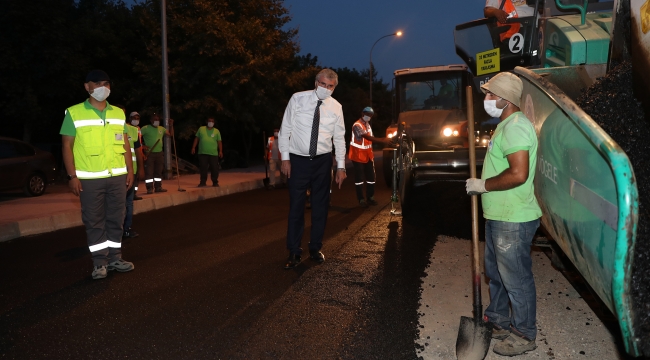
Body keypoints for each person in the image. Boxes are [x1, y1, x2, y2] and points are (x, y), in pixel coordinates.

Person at [465, 71, 542, 356]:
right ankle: (498, 320)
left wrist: (482, 185)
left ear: (505, 99)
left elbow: (519, 174)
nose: (486, 99)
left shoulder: (516, 127)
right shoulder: (505, 125)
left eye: (490, 95)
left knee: (516, 279)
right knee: (496, 274)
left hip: (514, 218)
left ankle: (524, 334)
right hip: (499, 216)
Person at [60, 70, 135, 280]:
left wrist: (129, 171)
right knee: (94, 221)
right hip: (90, 179)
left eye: (107, 83)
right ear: (87, 87)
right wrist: (71, 176)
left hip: (118, 177)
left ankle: (115, 259)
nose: (103, 87)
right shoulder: (74, 113)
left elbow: (125, 144)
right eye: (98, 83)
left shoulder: (118, 113)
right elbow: (66, 145)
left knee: (116, 219)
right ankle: (99, 263)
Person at [278, 68, 347, 269]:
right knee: (296, 207)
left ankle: (315, 248)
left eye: (331, 86)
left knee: (320, 207)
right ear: (316, 82)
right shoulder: (297, 99)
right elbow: (285, 130)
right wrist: (285, 158)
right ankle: (294, 251)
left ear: (335, 88)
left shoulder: (336, 107)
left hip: (322, 162)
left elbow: (339, 139)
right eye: (323, 84)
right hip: (297, 161)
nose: (326, 89)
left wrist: (341, 166)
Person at [348, 106, 390, 207]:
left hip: (368, 155)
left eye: (370, 115)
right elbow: (366, 137)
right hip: (357, 155)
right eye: (367, 114)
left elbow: (371, 138)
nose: (369, 116)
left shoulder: (367, 125)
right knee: (359, 179)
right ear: (363, 114)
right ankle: (361, 199)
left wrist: (384, 141)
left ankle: (370, 197)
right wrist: (382, 140)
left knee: (371, 177)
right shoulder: (357, 125)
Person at [123, 114, 145, 238]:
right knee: (118, 203)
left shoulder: (133, 130)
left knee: (129, 202)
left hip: (132, 171)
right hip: (117, 173)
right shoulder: (109, 128)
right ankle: (116, 229)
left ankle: (126, 228)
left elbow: (138, 151)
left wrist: (141, 168)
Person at [140, 113, 173, 194]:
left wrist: (171, 125)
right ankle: (149, 188)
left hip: (159, 153)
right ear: (151, 120)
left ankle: (158, 187)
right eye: (155, 120)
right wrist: (142, 146)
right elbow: (137, 137)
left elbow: (170, 134)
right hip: (149, 154)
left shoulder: (162, 128)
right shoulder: (145, 128)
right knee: (149, 172)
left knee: (158, 171)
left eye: (158, 120)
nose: (156, 121)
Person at [191, 117, 223, 187]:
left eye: (212, 121)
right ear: (206, 122)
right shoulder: (201, 129)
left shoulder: (216, 131)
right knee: (203, 168)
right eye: (209, 121)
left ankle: (215, 182)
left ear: (214, 123)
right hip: (202, 152)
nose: (210, 123)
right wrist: (193, 147)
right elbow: (197, 138)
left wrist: (220, 151)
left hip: (213, 153)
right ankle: (202, 182)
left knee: (214, 168)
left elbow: (219, 141)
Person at [128, 111, 144, 200]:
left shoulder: (138, 128)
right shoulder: (128, 128)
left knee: (137, 177)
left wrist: (142, 152)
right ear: (130, 119)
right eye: (134, 118)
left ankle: (134, 193)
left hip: (138, 155)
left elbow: (139, 144)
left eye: (138, 119)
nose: (136, 120)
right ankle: (130, 194)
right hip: (131, 158)